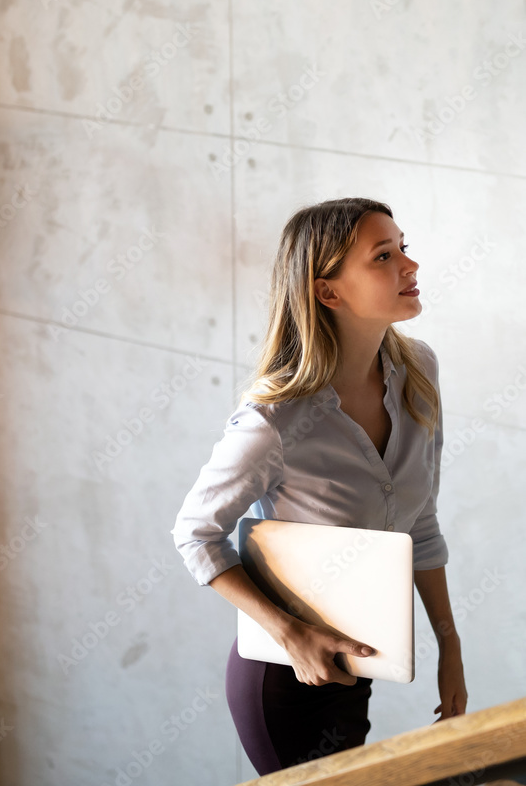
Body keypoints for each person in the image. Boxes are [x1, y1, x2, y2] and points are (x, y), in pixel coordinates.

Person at [170, 197, 468, 775]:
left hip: (353, 669)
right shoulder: (273, 419)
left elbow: (421, 522)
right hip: (282, 679)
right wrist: (292, 635)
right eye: (383, 255)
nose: (409, 266)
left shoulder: (419, 373)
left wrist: (449, 648)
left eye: (402, 247)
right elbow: (194, 535)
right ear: (328, 292)